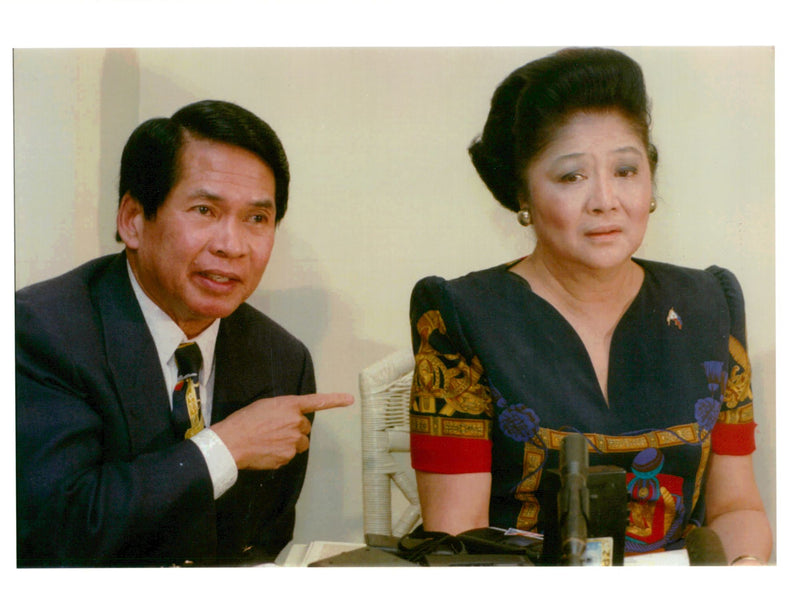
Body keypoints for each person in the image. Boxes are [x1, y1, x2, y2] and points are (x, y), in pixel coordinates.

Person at [408, 48, 772, 564]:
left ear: (650, 184)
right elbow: (458, 539)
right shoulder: (459, 316)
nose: (605, 199)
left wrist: (745, 574)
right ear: (523, 197)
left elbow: (736, 507)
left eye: (626, 170)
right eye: (571, 177)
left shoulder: (712, 304)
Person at [16, 99, 353, 567]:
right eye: (204, 210)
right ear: (133, 219)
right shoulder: (40, 330)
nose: (231, 246)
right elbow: (53, 533)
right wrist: (225, 447)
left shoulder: (282, 359)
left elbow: (257, 547)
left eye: (257, 219)